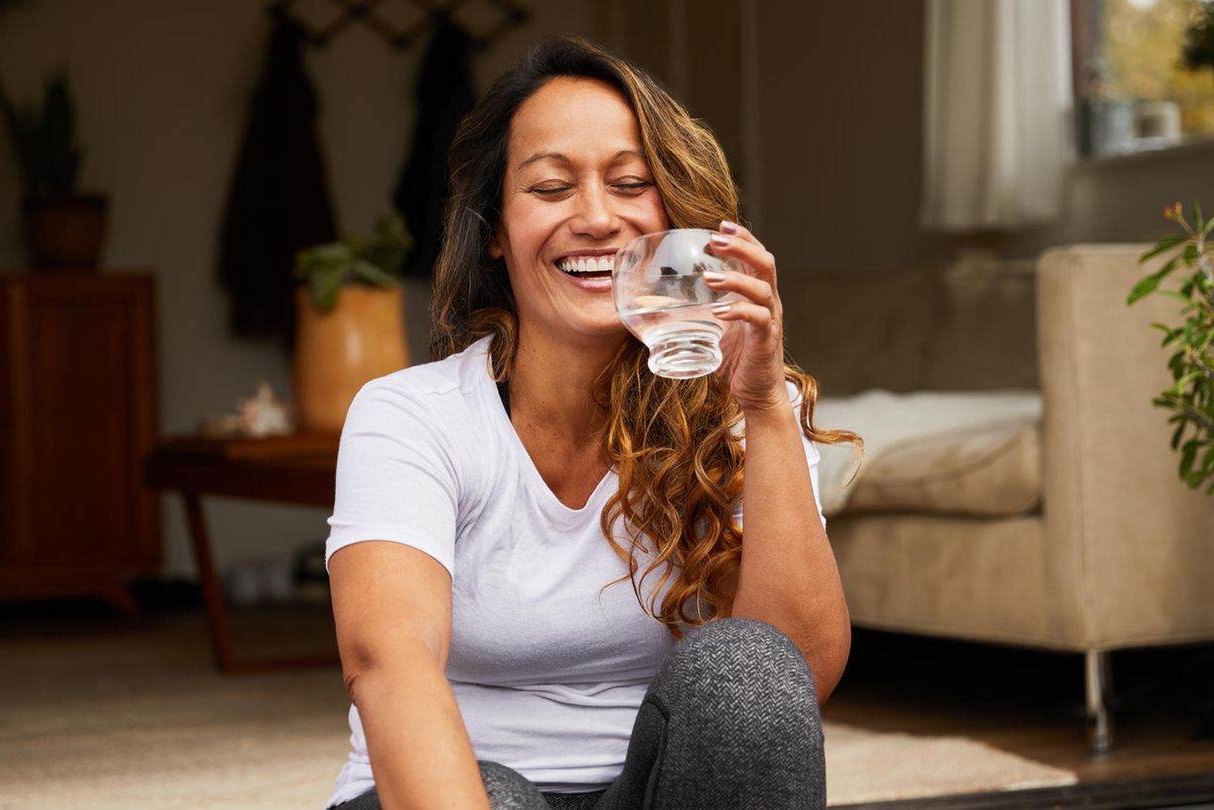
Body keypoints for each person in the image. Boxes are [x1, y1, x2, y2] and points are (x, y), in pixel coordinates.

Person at [324, 34, 860, 810]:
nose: (597, 218)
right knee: (498, 796)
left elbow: (797, 670)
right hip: (447, 799)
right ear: (496, 233)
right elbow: (387, 663)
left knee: (747, 665)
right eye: (549, 188)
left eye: (631, 183)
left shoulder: (742, 408)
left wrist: (763, 406)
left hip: (647, 794)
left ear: (673, 216)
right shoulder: (413, 416)